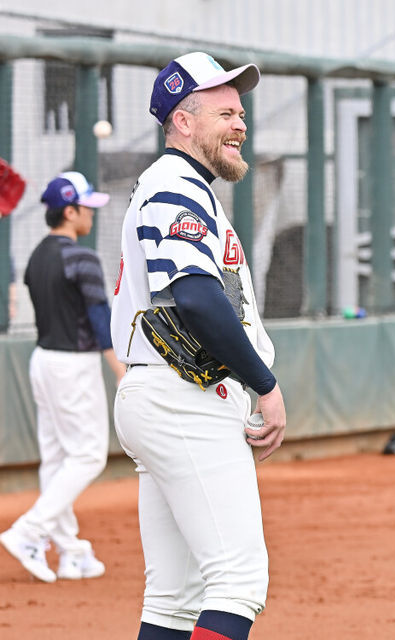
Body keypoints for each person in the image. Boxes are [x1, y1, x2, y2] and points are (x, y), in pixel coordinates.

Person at [110, 52, 286, 640]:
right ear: (183, 122)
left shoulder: (184, 189)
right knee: (238, 582)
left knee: (174, 600)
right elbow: (196, 297)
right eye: (224, 113)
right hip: (183, 396)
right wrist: (265, 384)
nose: (240, 124)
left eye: (241, 113)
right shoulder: (173, 184)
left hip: (165, 393)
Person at [0, 171, 124, 583]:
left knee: (56, 458)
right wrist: (121, 372)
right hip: (74, 364)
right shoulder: (82, 258)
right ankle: (29, 531)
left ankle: (71, 552)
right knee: (88, 455)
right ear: (69, 212)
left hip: (44, 360)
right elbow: (100, 320)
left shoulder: (37, 256)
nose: (91, 214)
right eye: (86, 207)